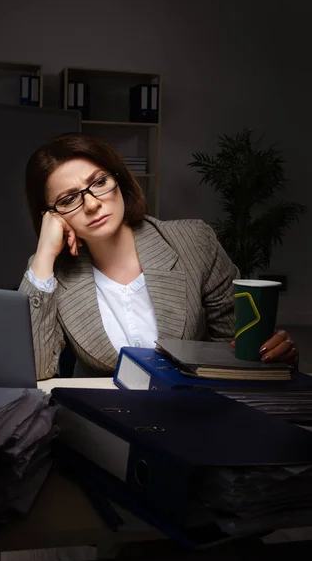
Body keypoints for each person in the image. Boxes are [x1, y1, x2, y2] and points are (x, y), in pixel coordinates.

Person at [19, 133, 298, 380]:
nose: (92, 204)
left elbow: (236, 346)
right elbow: (35, 370)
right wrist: (43, 255)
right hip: (103, 420)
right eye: (69, 200)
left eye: (100, 182)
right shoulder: (50, 271)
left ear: (119, 180)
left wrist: (272, 355)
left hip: (195, 412)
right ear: (51, 215)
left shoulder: (193, 242)